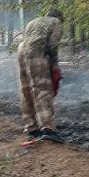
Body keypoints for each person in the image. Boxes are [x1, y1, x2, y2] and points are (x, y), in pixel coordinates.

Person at [18, 9, 64, 143]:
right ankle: (47, 128)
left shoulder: (34, 22)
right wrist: (54, 64)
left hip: (21, 50)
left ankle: (31, 127)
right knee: (42, 89)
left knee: (26, 89)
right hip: (36, 50)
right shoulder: (56, 22)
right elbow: (53, 45)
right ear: (59, 17)